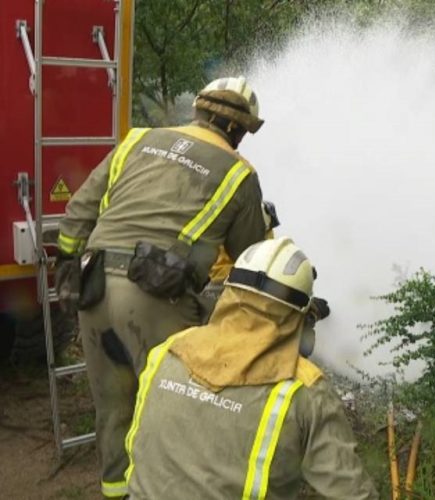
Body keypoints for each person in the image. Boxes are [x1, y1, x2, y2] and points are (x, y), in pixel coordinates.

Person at [55, 76, 270, 498]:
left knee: (113, 410)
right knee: (171, 412)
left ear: (198, 110)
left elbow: (77, 213)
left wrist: (67, 259)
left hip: (93, 288)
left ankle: (117, 492)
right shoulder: (239, 173)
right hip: (158, 298)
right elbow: (251, 261)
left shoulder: (138, 139)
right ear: (236, 128)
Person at [124, 237, 378, 499]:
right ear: (299, 314)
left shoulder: (170, 349)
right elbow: (351, 493)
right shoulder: (303, 389)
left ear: (229, 291)